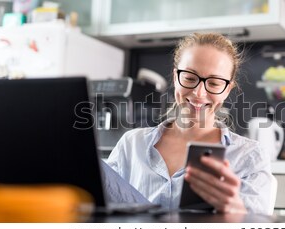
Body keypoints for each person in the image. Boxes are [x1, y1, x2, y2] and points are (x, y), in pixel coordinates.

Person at [105, 32, 275, 214]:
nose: (199, 93)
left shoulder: (250, 157)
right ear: (175, 76)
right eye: (189, 78)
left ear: (227, 89)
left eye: (215, 83)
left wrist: (237, 211)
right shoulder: (131, 144)